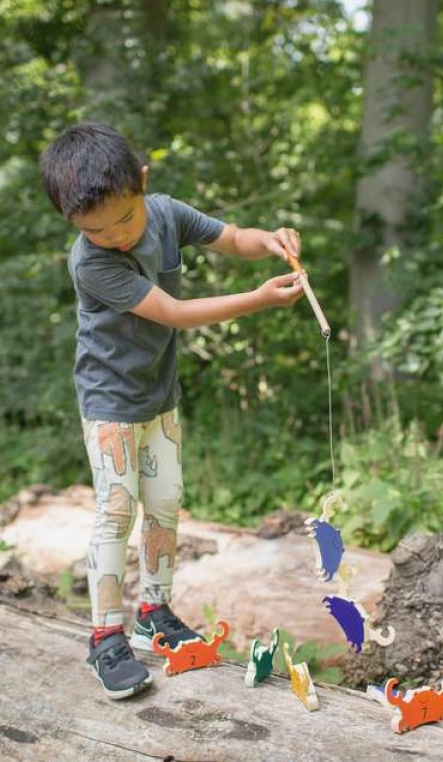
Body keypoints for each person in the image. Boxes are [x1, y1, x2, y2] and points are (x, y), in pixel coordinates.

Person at [39, 122, 303, 699]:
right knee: (116, 510)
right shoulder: (92, 263)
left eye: (124, 220)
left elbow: (233, 237)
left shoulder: (164, 213)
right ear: (72, 223)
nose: (115, 236)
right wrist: (259, 299)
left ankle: (153, 615)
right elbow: (175, 314)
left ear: (142, 183)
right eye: (94, 229)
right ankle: (104, 637)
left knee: (164, 506)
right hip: (110, 403)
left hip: (160, 397)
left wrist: (271, 240)